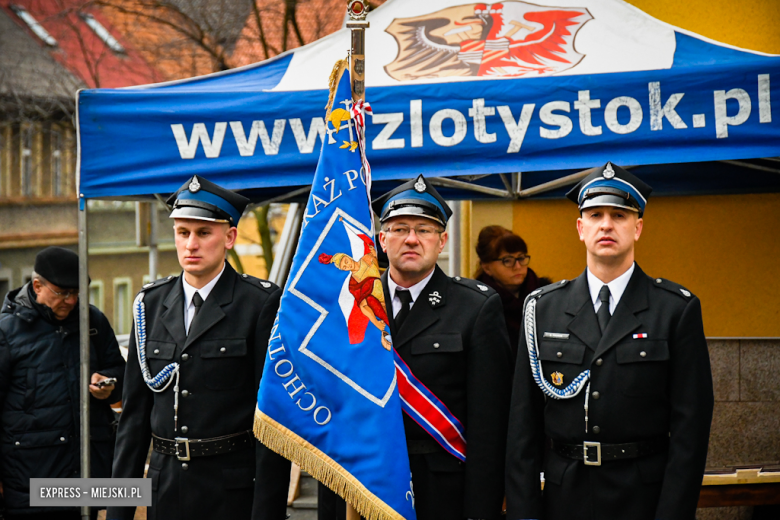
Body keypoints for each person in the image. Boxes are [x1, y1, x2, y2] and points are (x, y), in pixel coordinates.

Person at [505, 163, 714, 520]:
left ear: (638, 228)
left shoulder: (674, 310)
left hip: (643, 499)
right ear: (580, 228)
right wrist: (525, 511)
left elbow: (690, 431)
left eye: (619, 215)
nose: (606, 224)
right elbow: (522, 425)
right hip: (563, 498)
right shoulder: (542, 308)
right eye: (595, 214)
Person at [319, 175, 512, 520]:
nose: (411, 239)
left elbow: (490, 427)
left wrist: (481, 509)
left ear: (442, 241)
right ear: (381, 239)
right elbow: (335, 415)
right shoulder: (352, 305)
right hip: (366, 485)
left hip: (442, 490)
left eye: (424, 230)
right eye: (399, 228)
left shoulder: (476, 308)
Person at [107, 176, 290, 520]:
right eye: (183, 232)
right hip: (166, 489)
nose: (191, 244)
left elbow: (272, 424)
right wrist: (119, 512)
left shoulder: (259, 303)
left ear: (230, 237)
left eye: (203, 233)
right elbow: (133, 422)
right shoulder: (150, 303)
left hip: (231, 492)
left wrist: (267, 513)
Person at [0, 247, 125, 520]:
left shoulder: (92, 321)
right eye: (63, 293)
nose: (71, 301)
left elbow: (120, 372)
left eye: (77, 293)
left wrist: (108, 385)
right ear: (37, 286)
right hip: (30, 477)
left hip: (86, 475)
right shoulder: (7, 331)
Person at [475, 225, 551, 360]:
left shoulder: (546, 294)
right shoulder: (477, 302)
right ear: (487, 268)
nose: (517, 267)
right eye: (507, 261)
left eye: (521, 258)